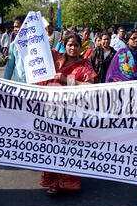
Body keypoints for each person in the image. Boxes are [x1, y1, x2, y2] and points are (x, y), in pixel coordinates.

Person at [38, 33, 98, 194]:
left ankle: (69, 179)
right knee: (52, 144)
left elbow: (90, 86)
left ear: (81, 47)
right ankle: (53, 181)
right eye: (70, 44)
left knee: (69, 144)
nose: (72, 48)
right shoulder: (56, 57)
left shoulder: (85, 65)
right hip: (51, 107)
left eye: (76, 45)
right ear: (64, 45)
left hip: (73, 110)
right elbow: (39, 50)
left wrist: (66, 80)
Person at [4, 17, 26, 83]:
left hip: (36, 86)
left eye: (17, 27)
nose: (15, 29)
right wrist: (5, 83)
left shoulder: (36, 44)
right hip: (20, 83)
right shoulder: (13, 45)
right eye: (14, 27)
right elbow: (9, 68)